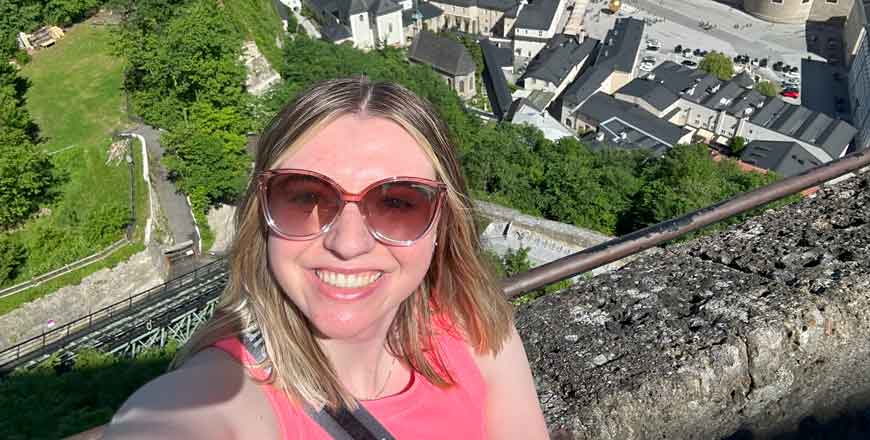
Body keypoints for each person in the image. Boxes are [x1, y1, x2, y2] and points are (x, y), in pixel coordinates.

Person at [105, 77, 550, 439]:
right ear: (261, 214)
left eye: (396, 203)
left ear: (443, 223)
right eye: (305, 197)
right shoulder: (225, 392)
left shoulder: (473, 324)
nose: (348, 243)